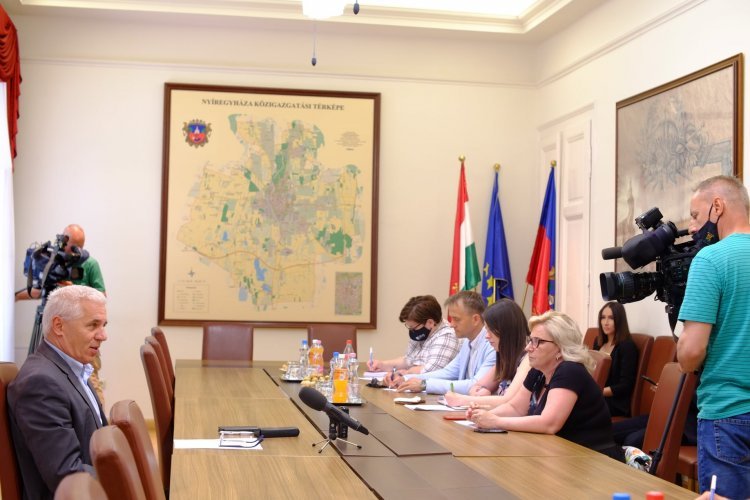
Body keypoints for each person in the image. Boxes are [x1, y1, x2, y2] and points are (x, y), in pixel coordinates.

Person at [677, 175, 750, 499]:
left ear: (717, 206)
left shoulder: (711, 260)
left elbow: (691, 352)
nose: (693, 227)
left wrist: (683, 354)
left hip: (728, 414)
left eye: (696, 215)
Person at [468, 310, 620, 458]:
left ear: (560, 348)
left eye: (537, 342)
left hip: (591, 458)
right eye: (530, 340)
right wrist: (481, 416)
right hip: (557, 453)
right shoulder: (539, 370)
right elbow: (516, 408)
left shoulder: (570, 371)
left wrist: (496, 422)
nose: (528, 348)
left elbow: (549, 424)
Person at [7, 285, 109, 499]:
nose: (103, 336)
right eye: (93, 325)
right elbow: (67, 474)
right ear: (59, 326)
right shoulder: (40, 383)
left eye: (103, 325)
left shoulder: (73, 367)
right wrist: (126, 478)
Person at [15, 223, 107, 404]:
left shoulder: (89, 263)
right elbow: (41, 290)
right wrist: (14, 297)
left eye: (80, 246)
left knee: (89, 379)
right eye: (73, 246)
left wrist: (74, 289)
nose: (77, 250)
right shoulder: (51, 262)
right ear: (64, 241)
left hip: (81, 332)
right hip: (55, 324)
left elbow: (101, 296)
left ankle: (97, 417)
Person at [391, 290, 495, 395]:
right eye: (451, 319)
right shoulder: (468, 341)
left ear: (475, 319)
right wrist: (405, 378)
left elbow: (476, 385)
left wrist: (425, 384)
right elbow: (448, 372)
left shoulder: (493, 345)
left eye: (456, 319)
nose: (451, 324)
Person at [443, 298, 531, 408]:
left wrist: (463, 400)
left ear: (506, 330)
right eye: (486, 330)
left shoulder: (528, 358)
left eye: (491, 330)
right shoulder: (505, 357)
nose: (487, 336)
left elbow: (508, 400)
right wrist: (482, 391)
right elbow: (476, 386)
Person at [367, 295, 460, 375]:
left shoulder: (447, 336)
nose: (412, 331)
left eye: (413, 327)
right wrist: (382, 365)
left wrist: (406, 373)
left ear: (430, 323)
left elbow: (430, 371)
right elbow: (408, 360)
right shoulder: (424, 331)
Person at [593, 301, 638, 417]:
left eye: (611, 318)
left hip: (615, 403)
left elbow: (625, 385)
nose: (606, 322)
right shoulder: (598, 342)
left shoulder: (627, 346)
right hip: (598, 396)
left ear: (619, 321)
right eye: (603, 318)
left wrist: (596, 392)